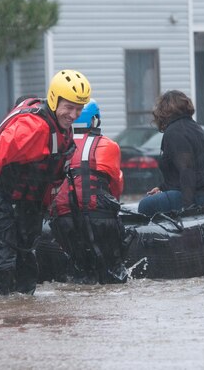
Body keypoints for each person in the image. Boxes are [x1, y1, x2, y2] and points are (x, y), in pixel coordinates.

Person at [0, 69, 91, 295]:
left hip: (26, 203)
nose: (73, 114)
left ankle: (22, 318)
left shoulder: (63, 131)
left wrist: (48, 207)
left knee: (26, 264)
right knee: (1, 262)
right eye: (69, 107)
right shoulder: (32, 128)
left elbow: (52, 177)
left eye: (79, 109)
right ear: (54, 99)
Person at [50, 99, 127, 284]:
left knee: (78, 274)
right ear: (94, 120)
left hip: (63, 220)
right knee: (112, 275)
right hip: (99, 217)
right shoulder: (108, 146)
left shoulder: (54, 144)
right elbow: (116, 187)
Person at [138, 90, 204, 216]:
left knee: (146, 205)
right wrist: (162, 188)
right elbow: (190, 169)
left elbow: (187, 170)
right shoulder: (193, 127)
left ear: (164, 111)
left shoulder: (174, 132)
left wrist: (188, 209)